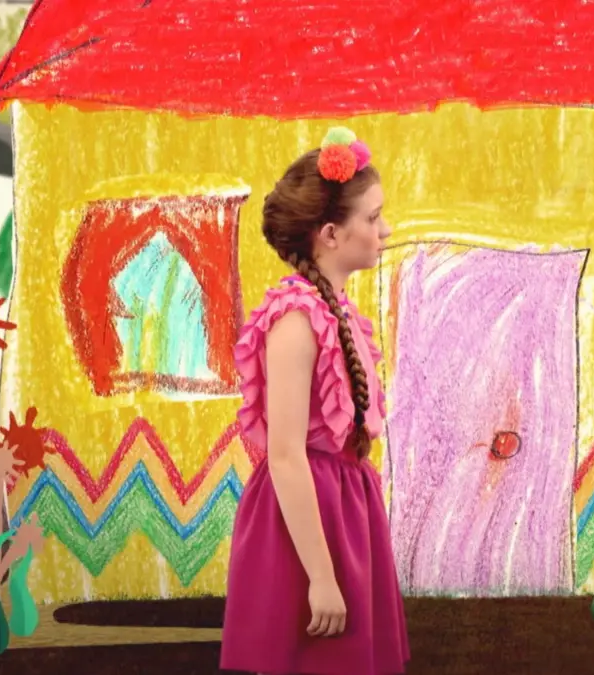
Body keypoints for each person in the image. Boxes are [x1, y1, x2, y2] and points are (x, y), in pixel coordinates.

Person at [221, 127, 409, 675]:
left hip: (344, 511)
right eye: (373, 218)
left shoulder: (337, 313)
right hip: (304, 527)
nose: (385, 229)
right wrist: (322, 577)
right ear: (330, 234)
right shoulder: (296, 322)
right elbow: (285, 456)